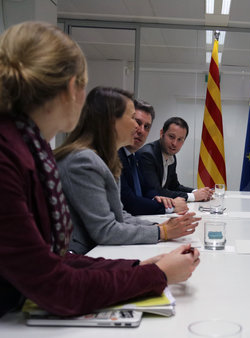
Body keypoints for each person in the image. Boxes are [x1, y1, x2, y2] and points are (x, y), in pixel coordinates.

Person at [0, 21, 199, 318]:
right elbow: (56, 285)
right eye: (133, 118)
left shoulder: (26, 150)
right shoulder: (11, 159)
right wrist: (156, 275)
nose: (137, 127)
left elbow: (51, 263)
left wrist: (141, 266)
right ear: (72, 89)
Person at [55, 87, 200, 255]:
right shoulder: (84, 160)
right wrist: (162, 232)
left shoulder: (107, 159)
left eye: (145, 125)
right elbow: (105, 230)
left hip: (97, 251)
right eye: (133, 118)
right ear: (110, 121)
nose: (138, 128)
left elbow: (120, 215)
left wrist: (160, 227)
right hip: (81, 255)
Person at [118, 99, 188, 215]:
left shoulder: (132, 157)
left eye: (147, 127)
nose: (141, 130)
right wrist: (170, 207)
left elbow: (147, 190)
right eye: (137, 123)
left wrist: (164, 200)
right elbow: (129, 202)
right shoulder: (116, 156)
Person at [138, 117, 213, 202]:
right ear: (162, 133)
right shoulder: (147, 155)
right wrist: (193, 196)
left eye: (180, 139)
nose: (174, 143)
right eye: (171, 137)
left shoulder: (171, 156)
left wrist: (198, 192)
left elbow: (174, 186)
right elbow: (155, 192)